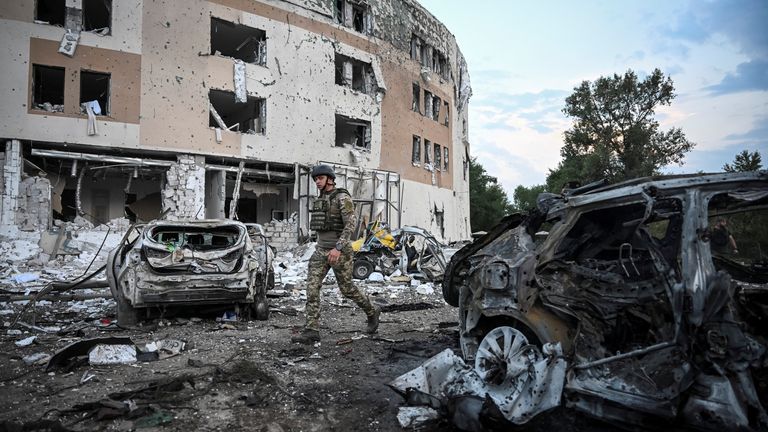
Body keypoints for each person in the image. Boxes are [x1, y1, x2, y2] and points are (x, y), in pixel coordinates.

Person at [292, 164, 380, 344]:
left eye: (320, 178)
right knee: (312, 288)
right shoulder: (321, 198)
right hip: (320, 251)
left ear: (330, 179)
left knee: (347, 289)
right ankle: (311, 330)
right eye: (315, 179)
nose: (317, 182)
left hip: (339, 251)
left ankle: (372, 311)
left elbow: (351, 224)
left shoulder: (342, 197)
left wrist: (338, 248)